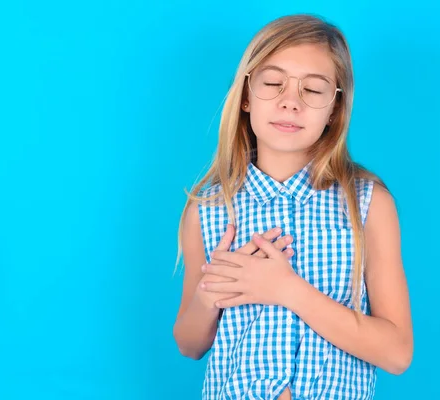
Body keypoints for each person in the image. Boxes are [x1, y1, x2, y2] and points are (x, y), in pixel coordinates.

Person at [172, 13, 413, 400]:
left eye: (313, 90)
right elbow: (189, 343)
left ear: (334, 108)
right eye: (273, 83)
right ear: (247, 95)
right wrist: (209, 292)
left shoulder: (368, 205)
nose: (290, 103)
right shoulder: (207, 210)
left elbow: (397, 353)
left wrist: (287, 290)